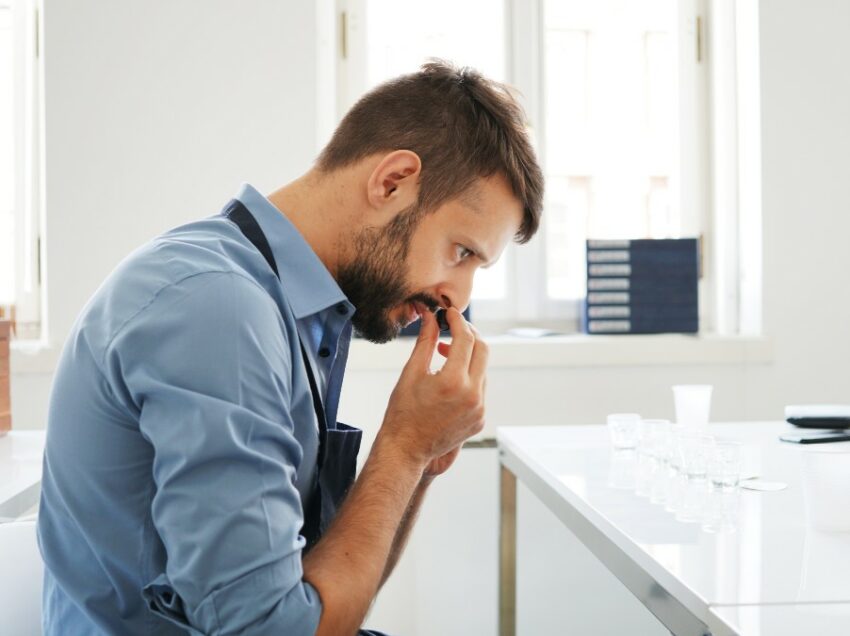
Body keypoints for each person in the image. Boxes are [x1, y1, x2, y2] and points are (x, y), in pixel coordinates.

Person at [37, 60, 543, 635]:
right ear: (393, 181)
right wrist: (402, 446)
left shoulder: (298, 311)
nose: (459, 295)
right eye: (461, 253)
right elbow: (275, 630)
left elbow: (328, 598)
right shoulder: (218, 309)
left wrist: (420, 460)